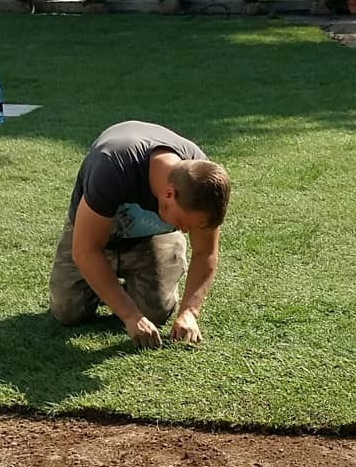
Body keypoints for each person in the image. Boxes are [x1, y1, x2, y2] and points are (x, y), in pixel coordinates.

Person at [50, 120, 230, 349]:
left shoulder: (201, 182)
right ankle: (108, 285)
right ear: (168, 194)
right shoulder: (113, 166)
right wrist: (130, 316)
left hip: (149, 236)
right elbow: (86, 250)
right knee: (68, 311)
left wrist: (189, 312)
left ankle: (118, 285)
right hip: (95, 234)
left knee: (155, 311)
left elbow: (205, 251)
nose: (185, 230)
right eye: (184, 223)